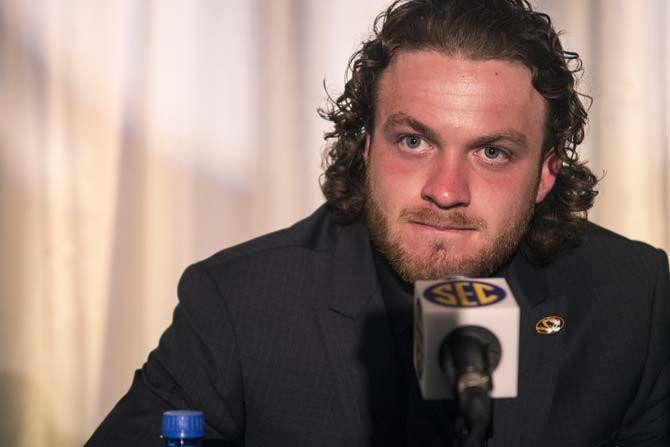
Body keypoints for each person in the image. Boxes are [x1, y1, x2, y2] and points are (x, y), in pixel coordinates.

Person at [86, 0, 669, 445]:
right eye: (414, 141)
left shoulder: (629, 298)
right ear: (364, 148)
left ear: (545, 174)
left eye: (491, 152)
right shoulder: (242, 305)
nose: (446, 191)